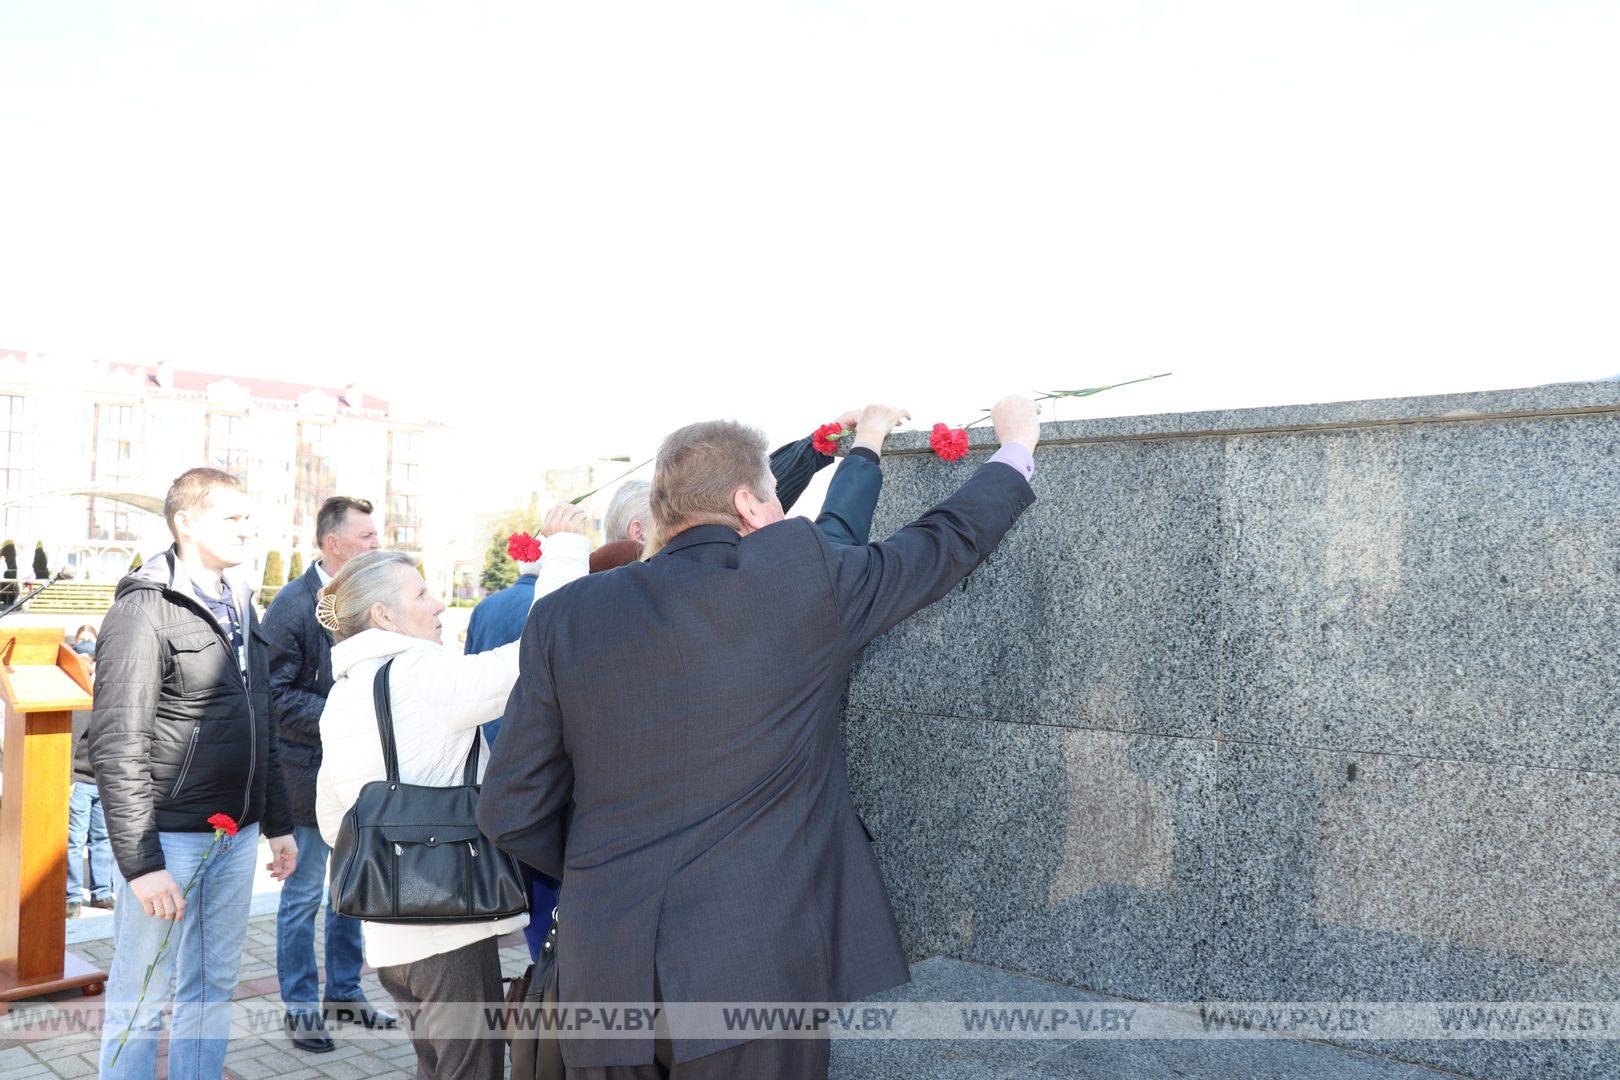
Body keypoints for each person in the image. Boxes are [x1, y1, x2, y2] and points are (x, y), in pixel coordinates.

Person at [479, 396, 1040, 1078]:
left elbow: (510, 806)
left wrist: (606, 870)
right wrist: (1016, 448)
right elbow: (940, 543)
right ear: (747, 503)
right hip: (751, 969)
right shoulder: (803, 581)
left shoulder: (565, 615)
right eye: (774, 497)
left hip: (602, 977)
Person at [476, 407, 905, 964]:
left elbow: (511, 804)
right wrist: (862, 446)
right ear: (640, 532)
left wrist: (598, 859)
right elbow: (819, 540)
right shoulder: (724, 595)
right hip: (729, 929)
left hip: (602, 924)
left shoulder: (576, 604)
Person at [314, 503, 589, 1080]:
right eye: (421, 595)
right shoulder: (419, 674)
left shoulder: (346, 691)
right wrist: (564, 550)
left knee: (437, 1066)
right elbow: (537, 654)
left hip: (388, 926)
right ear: (385, 614)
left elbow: (333, 815)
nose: (439, 604)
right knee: (472, 1069)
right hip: (448, 926)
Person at [89, 467, 298, 1080]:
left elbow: (262, 722)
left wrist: (277, 822)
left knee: (211, 988)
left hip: (236, 835)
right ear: (186, 522)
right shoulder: (144, 608)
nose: (247, 529)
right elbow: (117, 742)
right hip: (170, 840)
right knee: (143, 992)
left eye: (248, 516)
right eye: (232, 517)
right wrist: (142, 863)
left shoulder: (241, 601)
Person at [262, 495, 395, 1052]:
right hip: (305, 777)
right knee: (302, 899)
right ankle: (299, 1008)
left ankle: (344, 993)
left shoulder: (368, 600)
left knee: (350, 893)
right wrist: (343, 718)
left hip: (356, 773)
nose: (375, 544)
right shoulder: (293, 605)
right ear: (333, 542)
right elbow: (272, 695)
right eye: (365, 536)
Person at [67, 646, 113, 918]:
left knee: (102, 839)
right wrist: (69, 779)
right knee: (75, 840)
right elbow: (71, 741)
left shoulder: (105, 697)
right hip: (81, 784)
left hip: (101, 782)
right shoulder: (83, 700)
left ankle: (101, 893)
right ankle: (72, 898)